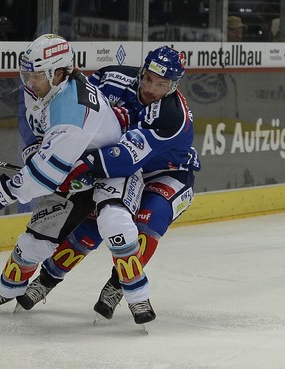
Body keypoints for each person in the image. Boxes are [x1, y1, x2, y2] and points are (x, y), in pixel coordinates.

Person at [17, 46, 200, 325]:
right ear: (141, 71)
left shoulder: (173, 116)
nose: (151, 88)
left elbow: (125, 157)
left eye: (161, 84)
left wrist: (79, 165)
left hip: (168, 174)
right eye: (148, 79)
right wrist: (48, 145)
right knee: (91, 226)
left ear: (174, 86)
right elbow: (74, 104)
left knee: (144, 225)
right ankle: (46, 279)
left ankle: (118, 285)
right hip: (123, 169)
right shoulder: (112, 78)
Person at [0, 34, 145, 317]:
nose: (28, 81)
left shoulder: (73, 112)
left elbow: (45, 176)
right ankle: (7, 290)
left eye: (35, 75)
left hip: (110, 172)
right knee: (34, 240)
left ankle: (137, 294)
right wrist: (35, 151)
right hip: (72, 169)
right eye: (26, 73)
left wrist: (4, 191)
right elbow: (38, 130)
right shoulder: (44, 87)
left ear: (59, 73)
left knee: (116, 225)